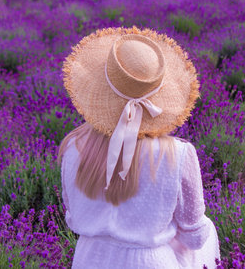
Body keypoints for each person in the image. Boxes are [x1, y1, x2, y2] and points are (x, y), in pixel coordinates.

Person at [58, 27, 220, 268]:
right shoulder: (178, 155)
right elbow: (194, 237)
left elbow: (72, 217)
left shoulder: (73, 147)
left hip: (90, 260)